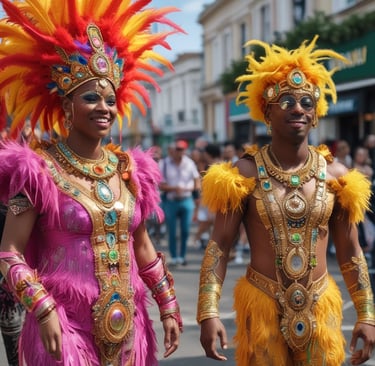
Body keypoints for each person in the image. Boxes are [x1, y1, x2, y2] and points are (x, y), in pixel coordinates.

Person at [0, 1, 183, 365]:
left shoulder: (130, 171)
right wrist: (42, 307)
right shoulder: (37, 171)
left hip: (129, 328)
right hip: (64, 328)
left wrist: (168, 305)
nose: (104, 107)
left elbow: (142, 246)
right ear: (67, 107)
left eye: (110, 99)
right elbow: (9, 253)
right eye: (91, 97)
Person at [196, 36, 375, 366]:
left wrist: (366, 313)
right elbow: (219, 246)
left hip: (321, 306)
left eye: (307, 102)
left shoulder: (337, 175)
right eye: (287, 101)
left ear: (317, 112)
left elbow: (350, 252)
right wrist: (208, 310)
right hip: (263, 305)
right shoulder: (243, 173)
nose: (298, 109)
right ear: (267, 110)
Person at [159, 140, 200, 266]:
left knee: (185, 230)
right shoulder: (164, 163)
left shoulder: (190, 163)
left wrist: (195, 189)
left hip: (186, 200)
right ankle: (174, 255)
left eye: (182, 149)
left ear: (185, 150)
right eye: (177, 149)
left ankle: (182, 255)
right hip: (171, 201)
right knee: (172, 230)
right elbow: (160, 184)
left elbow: (197, 179)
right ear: (173, 150)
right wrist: (173, 188)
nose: (179, 152)